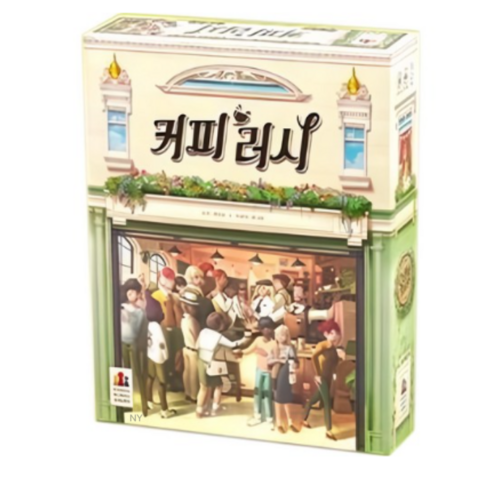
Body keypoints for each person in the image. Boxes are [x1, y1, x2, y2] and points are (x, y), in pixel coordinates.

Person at [195, 312, 251, 418]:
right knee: (219, 385)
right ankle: (215, 408)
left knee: (203, 387)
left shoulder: (203, 331)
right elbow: (234, 344)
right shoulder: (218, 337)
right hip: (211, 363)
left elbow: (196, 346)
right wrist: (247, 334)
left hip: (201, 361)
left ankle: (200, 410)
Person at [301, 319, 342, 441]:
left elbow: (333, 363)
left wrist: (340, 359)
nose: (335, 336)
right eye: (332, 333)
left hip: (328, 378)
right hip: (322, 378)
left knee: (315, 399)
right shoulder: (323, 345)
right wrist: (317, 375)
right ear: (326, 334)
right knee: (327, 403)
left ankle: (303, 419)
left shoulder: (333, 348)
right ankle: (329, 430)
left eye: (336, 333)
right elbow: (314, 357)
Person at [235, 316, 276, 428]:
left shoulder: (274, 343)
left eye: (269, 327)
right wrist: (240, 351)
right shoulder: (258, 340)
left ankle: (269, 418)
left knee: (267, 394)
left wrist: (266, 354)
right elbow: (248, 350)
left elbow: (276, 359)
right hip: (259, 370)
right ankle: (257, 416)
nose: (267, 330)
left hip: (268, 372)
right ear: (261, 329)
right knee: (257, 393)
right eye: (264, 328)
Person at [151, 267, 184, 391]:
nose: (171, 282)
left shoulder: (174, 296)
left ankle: (175, 377)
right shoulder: (156, 295)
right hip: (164, 330)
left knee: (177, 354)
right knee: (167, 356)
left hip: (176, 330)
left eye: (171, 279)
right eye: (168, 278)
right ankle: (169, 380)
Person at [145, 292, 177, 418]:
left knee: (150, 377)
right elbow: (162, 344)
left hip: (150, 353)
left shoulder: (148, 324)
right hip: (159, 357)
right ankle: (164, 409)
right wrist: (166, 356)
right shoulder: (157, 327)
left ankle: (148, 401)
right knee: (162, 382)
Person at [120, 278, 149, 416]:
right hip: (122, 342)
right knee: (124, 375)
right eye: (128, 292)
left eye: (133, 292)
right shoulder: (121, 308)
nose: (130, 294)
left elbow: (142, 330)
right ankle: (126, 405)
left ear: (138, 294)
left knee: (139, 374)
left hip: (135, 343)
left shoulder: (140, 312)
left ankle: (144, 406)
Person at [268, 324, 299, 433]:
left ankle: (290, 422)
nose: (281, 337)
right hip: (276, 375)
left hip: (287, 375)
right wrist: (278, 360)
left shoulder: (291, 347)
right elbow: (269, 361)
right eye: (278, 335)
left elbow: (296, 361)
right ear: (275, 336)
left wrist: (294, 364)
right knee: (277, 399)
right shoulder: (274, 347)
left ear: (287, 336)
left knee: (287, 399)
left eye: (283, 335)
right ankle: (279, 423)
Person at [179, 287, 201, 402]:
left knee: (186, 371)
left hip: (186, 348)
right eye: (193, 307)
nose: (196, 309)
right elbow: (197, 337)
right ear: (187, 307)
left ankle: (187, 392)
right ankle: (194, 395)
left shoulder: (183, 319)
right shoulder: (193, 320)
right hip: (193, 350)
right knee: (193, 373)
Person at [185, 265, 215, 330]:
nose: (199, 280)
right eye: (196, 277)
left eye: (200, 277)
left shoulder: (194, 289)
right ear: (189, 277)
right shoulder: (190, 291)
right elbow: (195, 303)